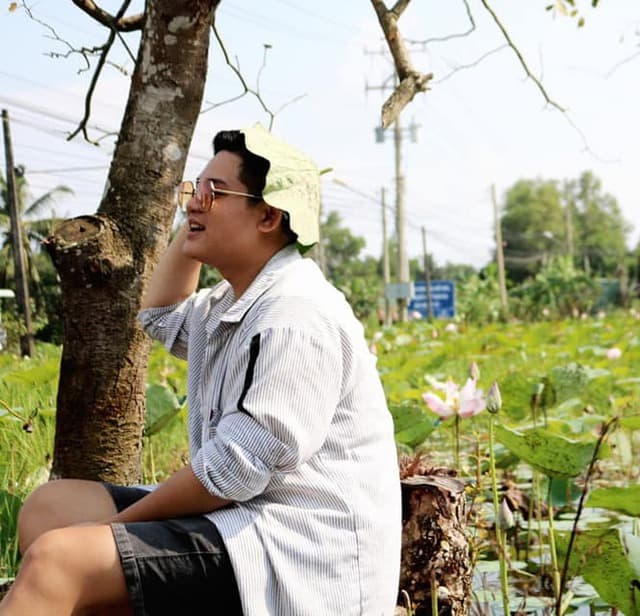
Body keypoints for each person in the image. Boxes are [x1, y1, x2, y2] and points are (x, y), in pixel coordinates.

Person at [0, 125, 402, 615]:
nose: (192, 202)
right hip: (244, 518)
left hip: (300, 550)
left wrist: (114, 532)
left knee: (58, 560)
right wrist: (195, 221)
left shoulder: (297, 314)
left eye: (213, 192)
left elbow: (233, 473)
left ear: (269, 216)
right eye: (194, 188)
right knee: (52, 508)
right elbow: (161, 314)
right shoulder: (231, 301)